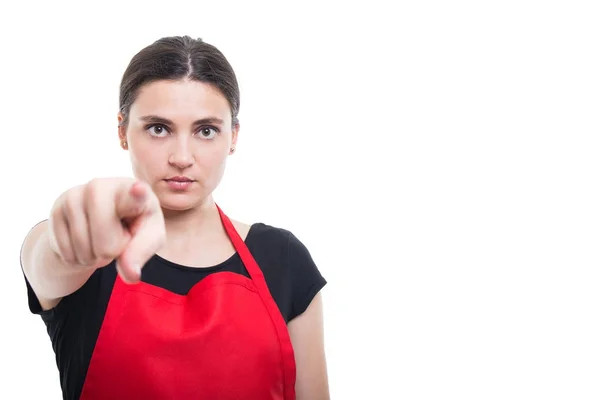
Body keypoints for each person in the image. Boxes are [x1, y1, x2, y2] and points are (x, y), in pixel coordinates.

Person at [20, 35, 329, 400]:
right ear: (122, 131)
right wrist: (68, 235)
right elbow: (50, 258)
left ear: (233, 137)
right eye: (159, 128)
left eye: (206, 130)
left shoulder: (284, 259)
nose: (182, 157)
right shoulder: (88, 247)